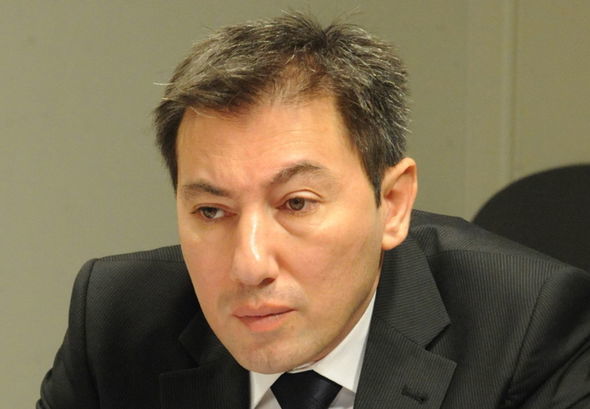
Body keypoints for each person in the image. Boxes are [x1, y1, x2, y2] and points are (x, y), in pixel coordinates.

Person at [38, 12, 590, 409]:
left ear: (393, 204)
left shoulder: (529, 327)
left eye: (296, 203)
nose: (249, 265)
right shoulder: (117, 319)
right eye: (211, 211)